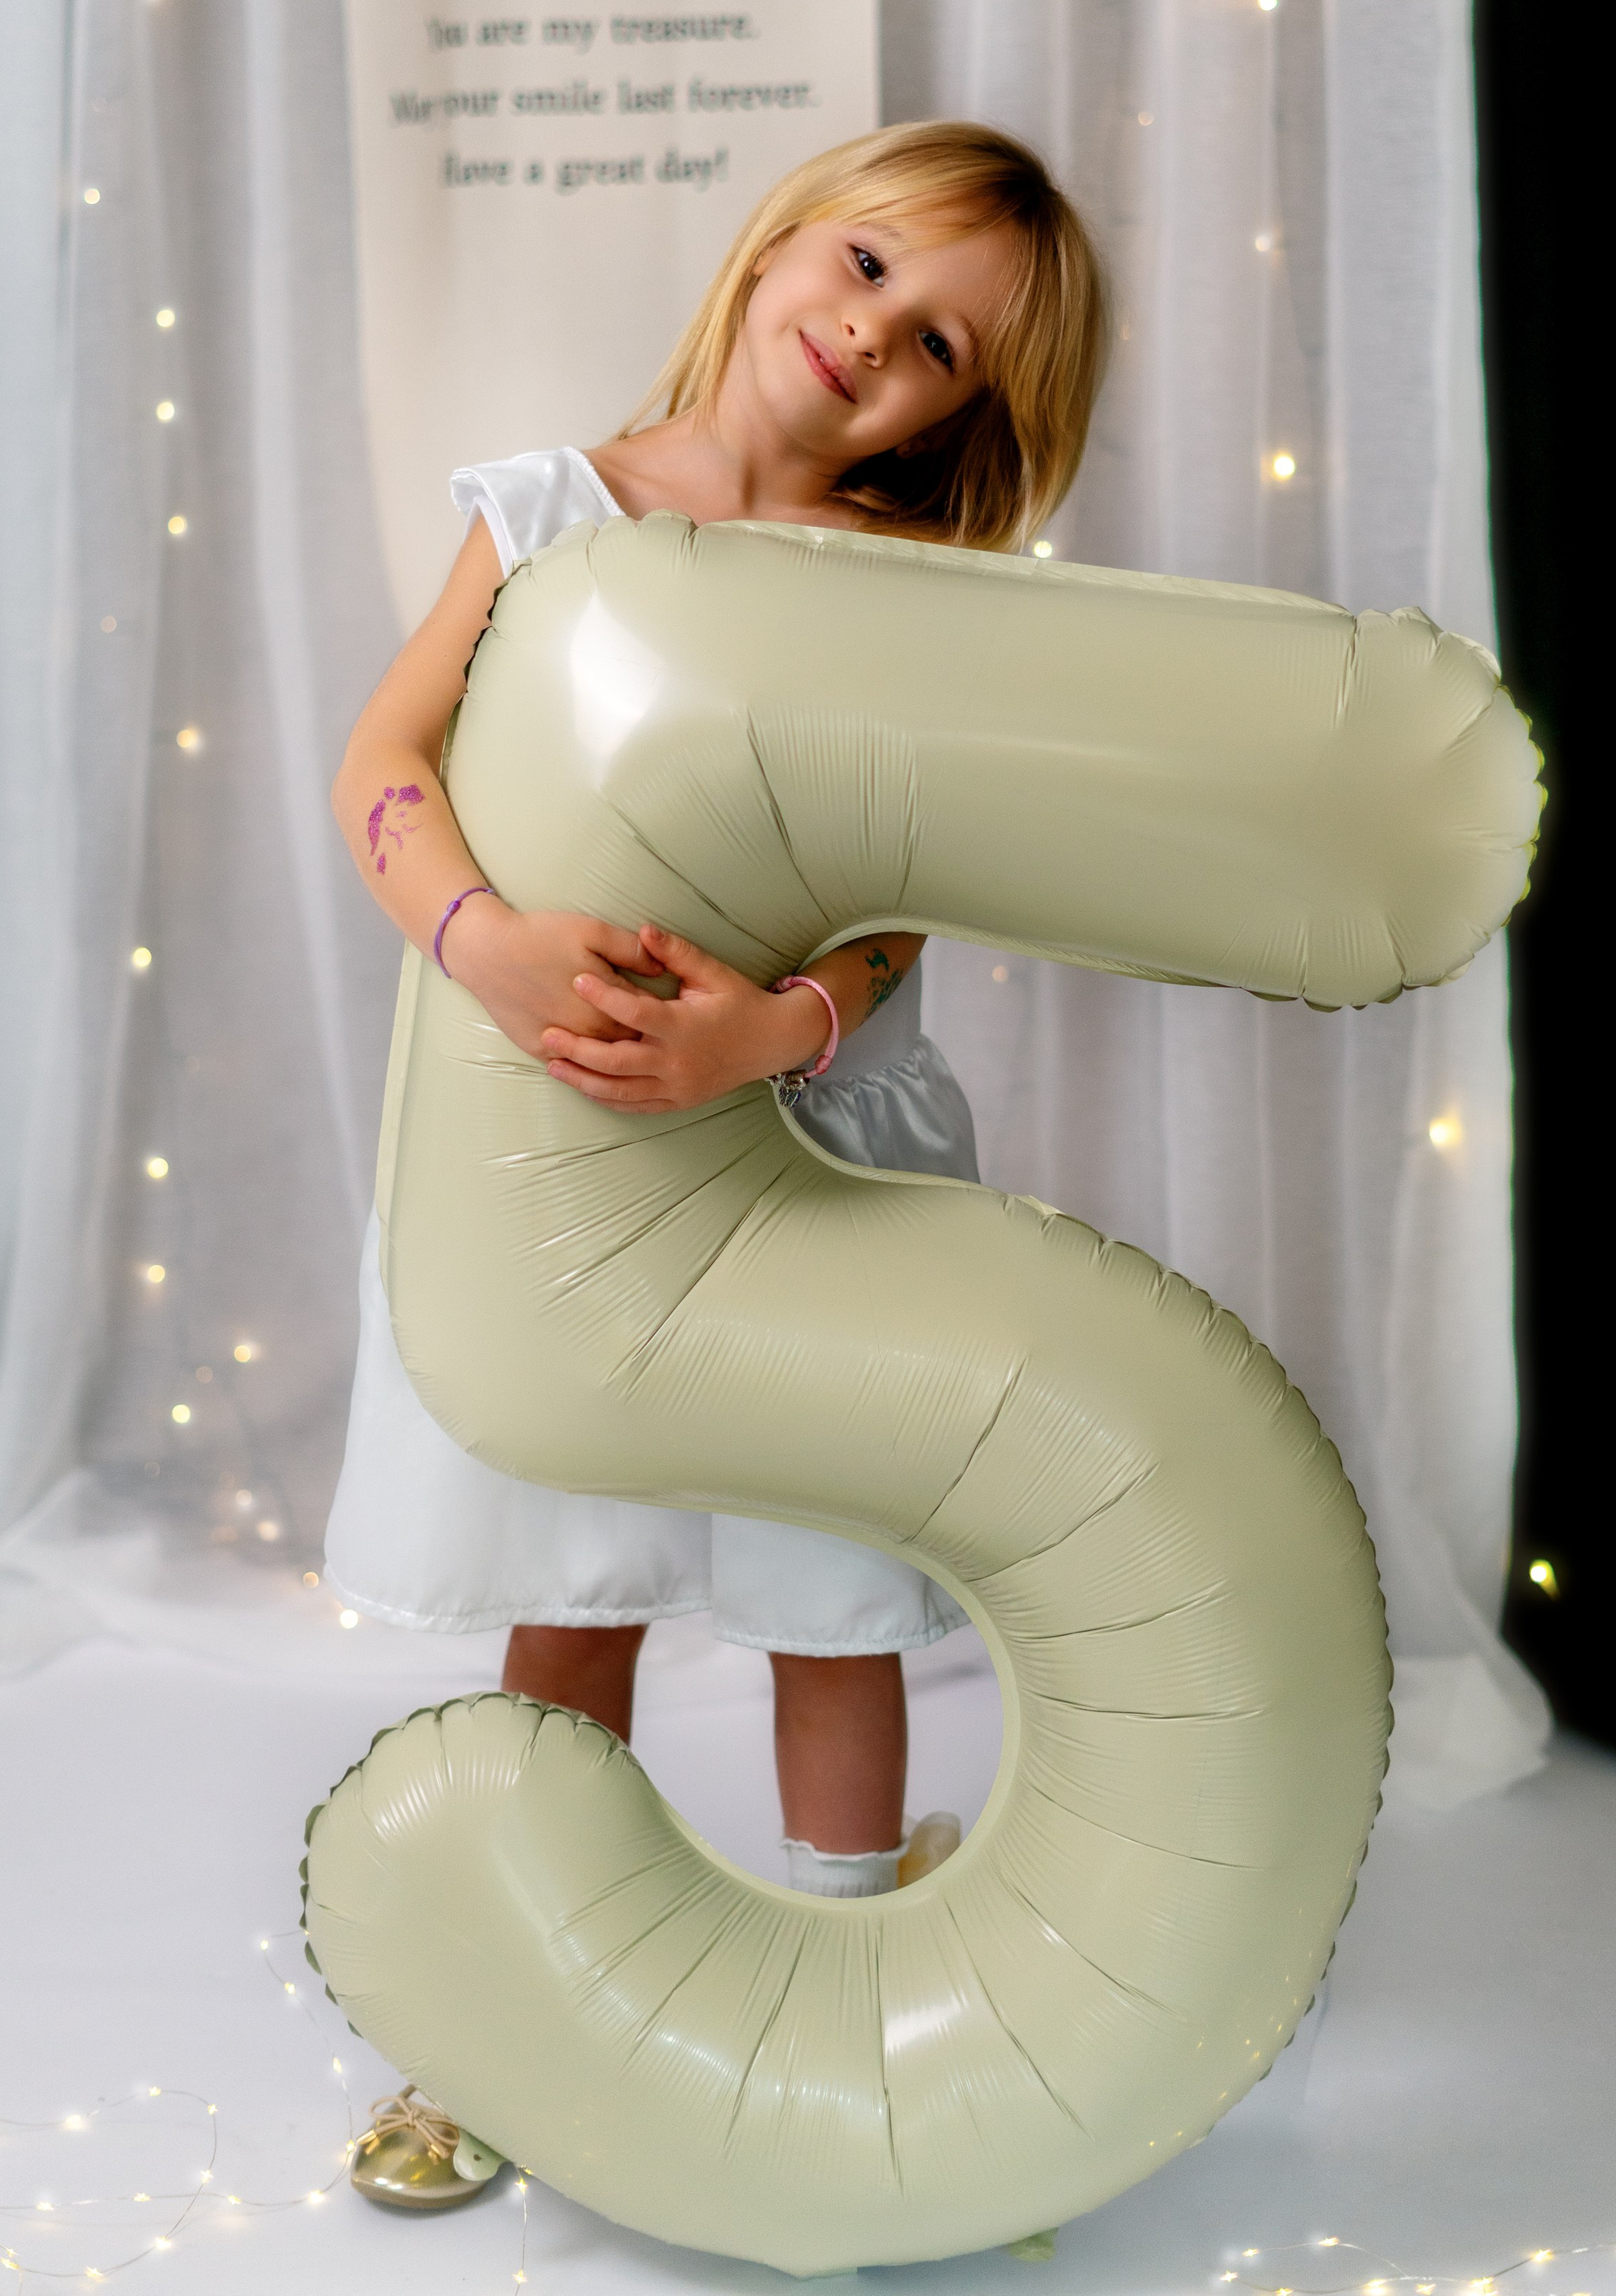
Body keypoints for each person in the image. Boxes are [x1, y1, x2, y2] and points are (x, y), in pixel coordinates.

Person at [325, 120, 1105, 1999]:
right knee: (570, 1602)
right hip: (574, 1162)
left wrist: (783, 1024)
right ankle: (527, 2004)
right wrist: (483, 942)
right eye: (865, 269)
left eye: (936, 345)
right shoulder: (546, 511)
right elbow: (384, 766)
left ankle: (837, 1982)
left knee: (822, 1602)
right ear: (780, 248)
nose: (873, 335)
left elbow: (916, 884)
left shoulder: (905, 585)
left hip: (811, 1158)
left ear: (945, 420)